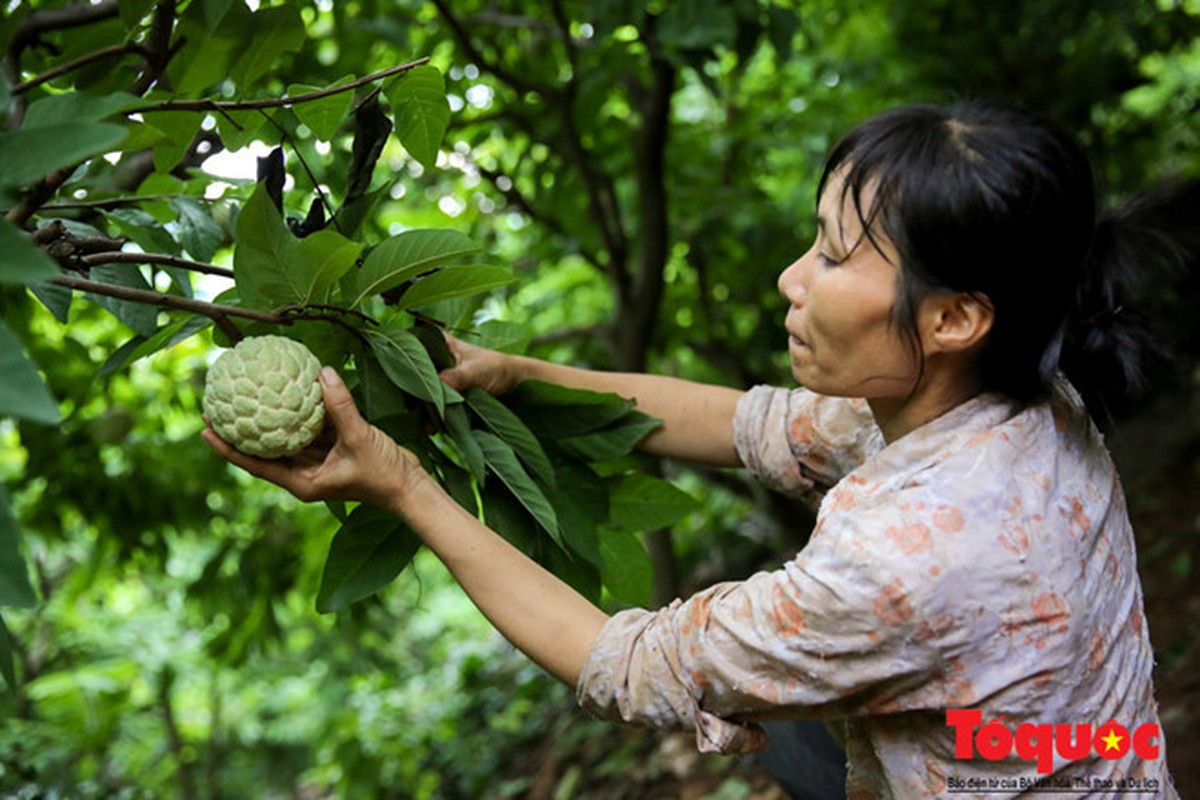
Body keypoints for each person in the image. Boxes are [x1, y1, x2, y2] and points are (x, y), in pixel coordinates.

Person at [203, 101, 1181, 797]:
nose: (795, 279)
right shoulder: (1022, 380)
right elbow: (743, 421)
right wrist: (515, 372)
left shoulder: (904, 565)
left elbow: (622, 661)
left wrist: (403, 483)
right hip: (1099, 749)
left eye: (836, 257)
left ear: (957, 315)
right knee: (806, 745)